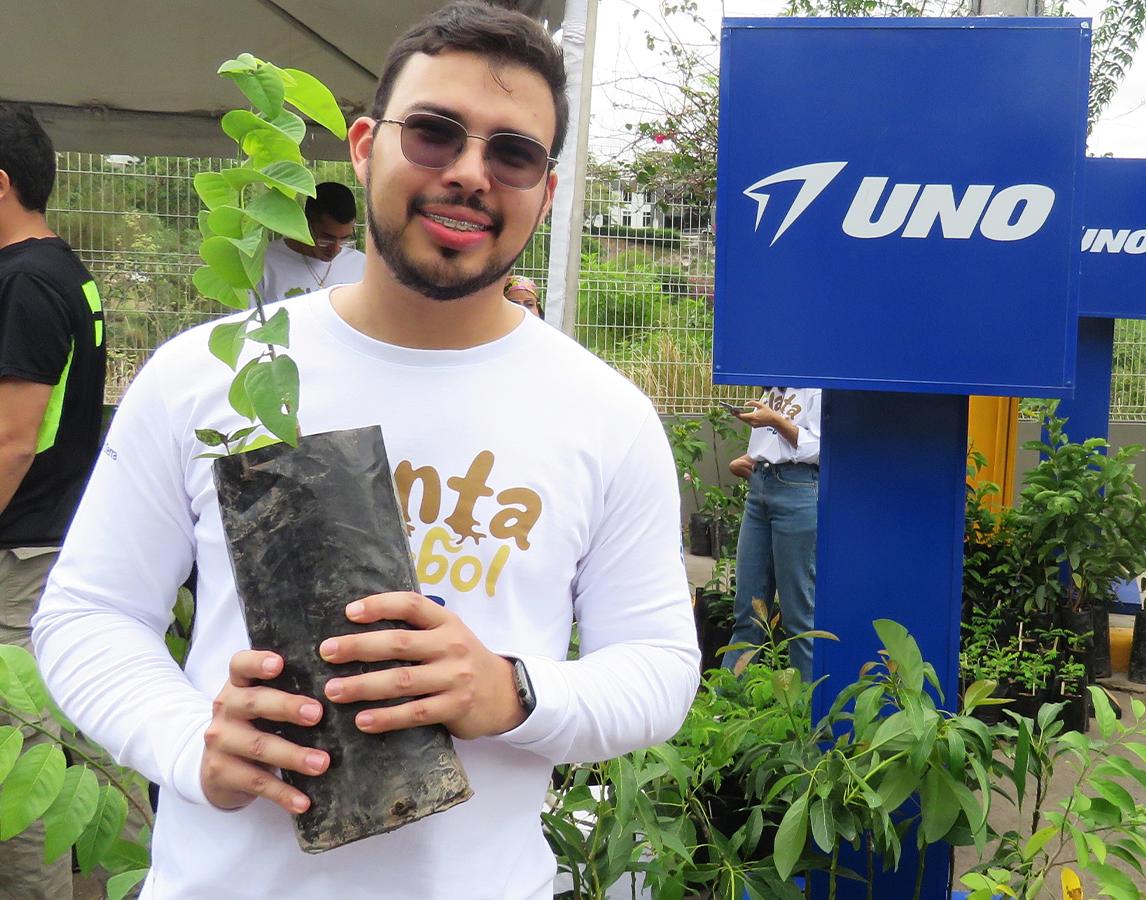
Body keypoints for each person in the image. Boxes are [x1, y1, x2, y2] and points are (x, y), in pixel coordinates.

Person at [32, 5, 699, 898]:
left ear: (543, 190)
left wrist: (514, 692)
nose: (469, 173)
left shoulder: (604, 417)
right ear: (362, 146)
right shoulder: (208, 375)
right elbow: (87, 615)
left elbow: (658, 667)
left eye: (513, 153)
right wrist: (191, 742)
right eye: (433, 134)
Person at [0, 103, 106, 900]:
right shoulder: (61, 267)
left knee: (24, 754)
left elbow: (12, 437)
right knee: (65, 746)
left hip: (21, 549)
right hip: (52, 535)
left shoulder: (27, 281)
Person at [721, 388, 821, 679]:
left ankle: (805, 716)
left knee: (799, 618)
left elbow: (820, 447)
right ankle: (724, 708)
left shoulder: (817, 383)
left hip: (799, 490)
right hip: (761, 486)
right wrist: (752, 458)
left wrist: (775, 421)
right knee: (747, 611)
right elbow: (775, 446)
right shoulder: (775, 383)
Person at [255, 181, 367, 302]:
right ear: (307, 224)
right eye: (327, 238)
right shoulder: (265, 262)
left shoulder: (362, 266)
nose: (335, 249)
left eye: (345, 239)